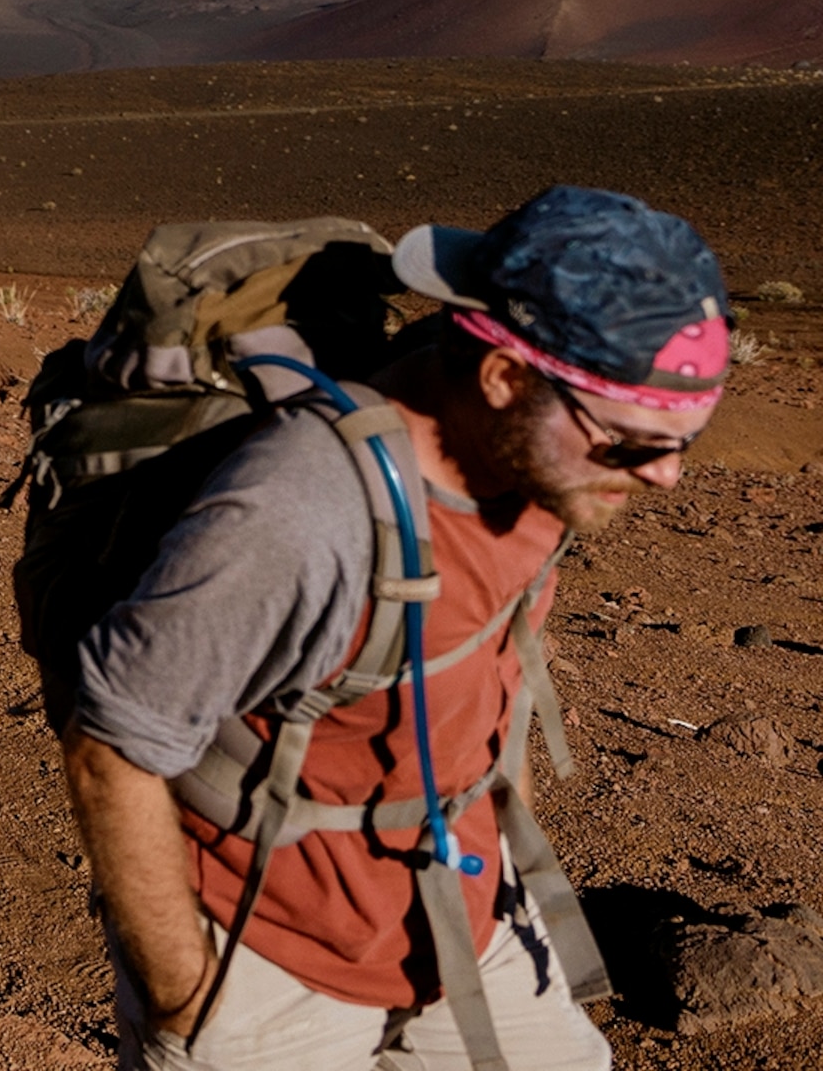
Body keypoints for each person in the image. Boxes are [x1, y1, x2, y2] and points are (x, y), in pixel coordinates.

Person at [63, 186, 727, 1069]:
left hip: (458, 907)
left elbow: (502, 661)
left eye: (686, 439)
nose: (667, 477)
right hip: (270, 950)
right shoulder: (301, 510)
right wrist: (190, 1003)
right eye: (637, 443)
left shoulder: (546, 465)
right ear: (504, 379)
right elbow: (112, 744)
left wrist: (505, 871)